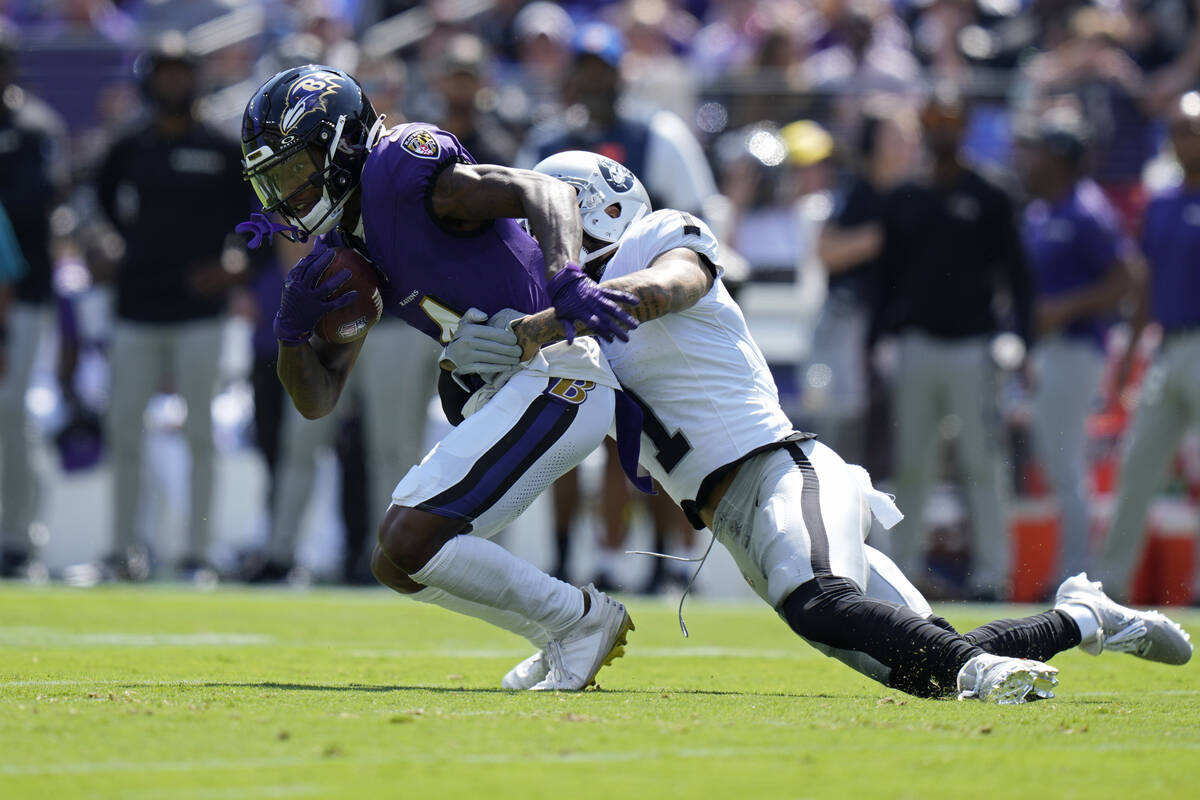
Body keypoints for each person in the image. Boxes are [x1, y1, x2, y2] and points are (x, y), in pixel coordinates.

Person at [447, 151, 1192, 702]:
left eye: (543, 224)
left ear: (587, 210)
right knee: (929, 660)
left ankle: (991, 670)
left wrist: (543, 324)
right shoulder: (572, 325)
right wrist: (475, 362)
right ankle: (1084, 617)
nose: (537, 244)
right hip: (736, 520)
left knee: (823, 605)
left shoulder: (655, 239)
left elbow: (672, 283)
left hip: (780, 473)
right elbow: (497, 407)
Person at [238, 64, 640, 690]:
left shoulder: (400, 169)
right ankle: (561, 632)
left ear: (338, 143)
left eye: (292, 172)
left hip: (561, 371)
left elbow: (549, 192)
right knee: (399, 562)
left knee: (408, 535)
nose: (286, 197)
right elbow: (318, 400)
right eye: (274, 183)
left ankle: (580, 620)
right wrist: (291, 335)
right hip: (514, 389)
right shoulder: (348, 244)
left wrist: (565, 281)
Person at [95, 35, 248, 581]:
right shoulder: (129, 145)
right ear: (149, 78)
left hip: (201, 311)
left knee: (200, 433)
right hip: (135, 307)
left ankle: (198, 553)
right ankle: (122, 551)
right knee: (125, 431)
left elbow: (256, 222)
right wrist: (104, 245)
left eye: (183, 71)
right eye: (165, 71)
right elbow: (96, 206)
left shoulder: (221, 147)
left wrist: (237, 265)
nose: (174, 81)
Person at [875, 91, 1034, 601]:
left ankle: (993, 572)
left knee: (981, 462)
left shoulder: (991, 192)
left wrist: (1021, 338)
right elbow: (887, 278)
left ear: (964, 126)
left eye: (951, 119)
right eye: (934, 119)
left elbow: (1018, 273)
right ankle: (904, 570)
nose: (942, 128)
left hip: (974, 345)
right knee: (913, 462)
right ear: (923, 125)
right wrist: (879, 338)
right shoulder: (905, 197)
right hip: (918, 344)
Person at [1017, 106, 1143, 585]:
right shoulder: (1043, 209)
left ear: (1061, 156)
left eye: (1040, 149)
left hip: (1076, 349)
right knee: (1056, 462)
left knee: (1067, 464)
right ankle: (1070, 570)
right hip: (1049, 352)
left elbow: (1126, 278)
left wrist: (1064, 308)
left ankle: (1076, 574)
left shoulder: (1087, 210)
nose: (1030, 159)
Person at [1098, 91, 1200, 600]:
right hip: (1167, 345)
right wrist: (1128, 358)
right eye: (1180, 131)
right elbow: (1146, 286)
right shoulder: (1160, 204)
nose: (1187, 140)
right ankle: (1110, 583)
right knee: (1137, 464)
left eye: (1194, 130)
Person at [0, 22, 68, 578]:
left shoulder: (34, 127)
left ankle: (19, 535)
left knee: (10, 407)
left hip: (20, 292)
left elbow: (29, 202)